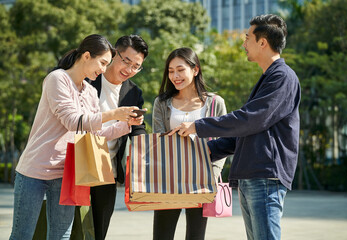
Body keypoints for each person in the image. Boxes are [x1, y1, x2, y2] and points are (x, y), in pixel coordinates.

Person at [170, 14, 301, 240]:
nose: (243, 44)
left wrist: (198, 126)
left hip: (266, 175)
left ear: (262, 42)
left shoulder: (282, 77)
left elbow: (249, 120)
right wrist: (203, 152)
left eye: (247, 38)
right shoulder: (268, 77)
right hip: (254, 175)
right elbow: (245, 132)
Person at [9, 34, 143, 240]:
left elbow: (95, 134)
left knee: (62, 235)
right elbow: (73, 121)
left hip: (67, 174)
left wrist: (126, 125)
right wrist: (114, 114)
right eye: (102, 63)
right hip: (35, 171)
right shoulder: (57, 79)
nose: (104, 69)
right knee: (22, 235)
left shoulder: (89, 91)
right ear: (87, 56)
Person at [152, 47, 227, 240]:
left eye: (180, 69)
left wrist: (214, 174)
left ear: (195, 70)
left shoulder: (215, 102)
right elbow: (158, 140)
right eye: (170, 71)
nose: (175, 76)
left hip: (202, 178)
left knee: (196, 236)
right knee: (162, 235)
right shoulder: (161, 102)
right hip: (168, 178)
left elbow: (223, 141)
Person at [88, 34, 148, 240]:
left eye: (136, 66)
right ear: (114, 54)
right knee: (71, 228)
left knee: (99, 231)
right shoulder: (90, 79)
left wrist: (144, 147)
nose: (129, 70)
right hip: (78, 164)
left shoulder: (134, 93)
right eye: (126, 61)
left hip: (108, 172)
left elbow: (137, 129)